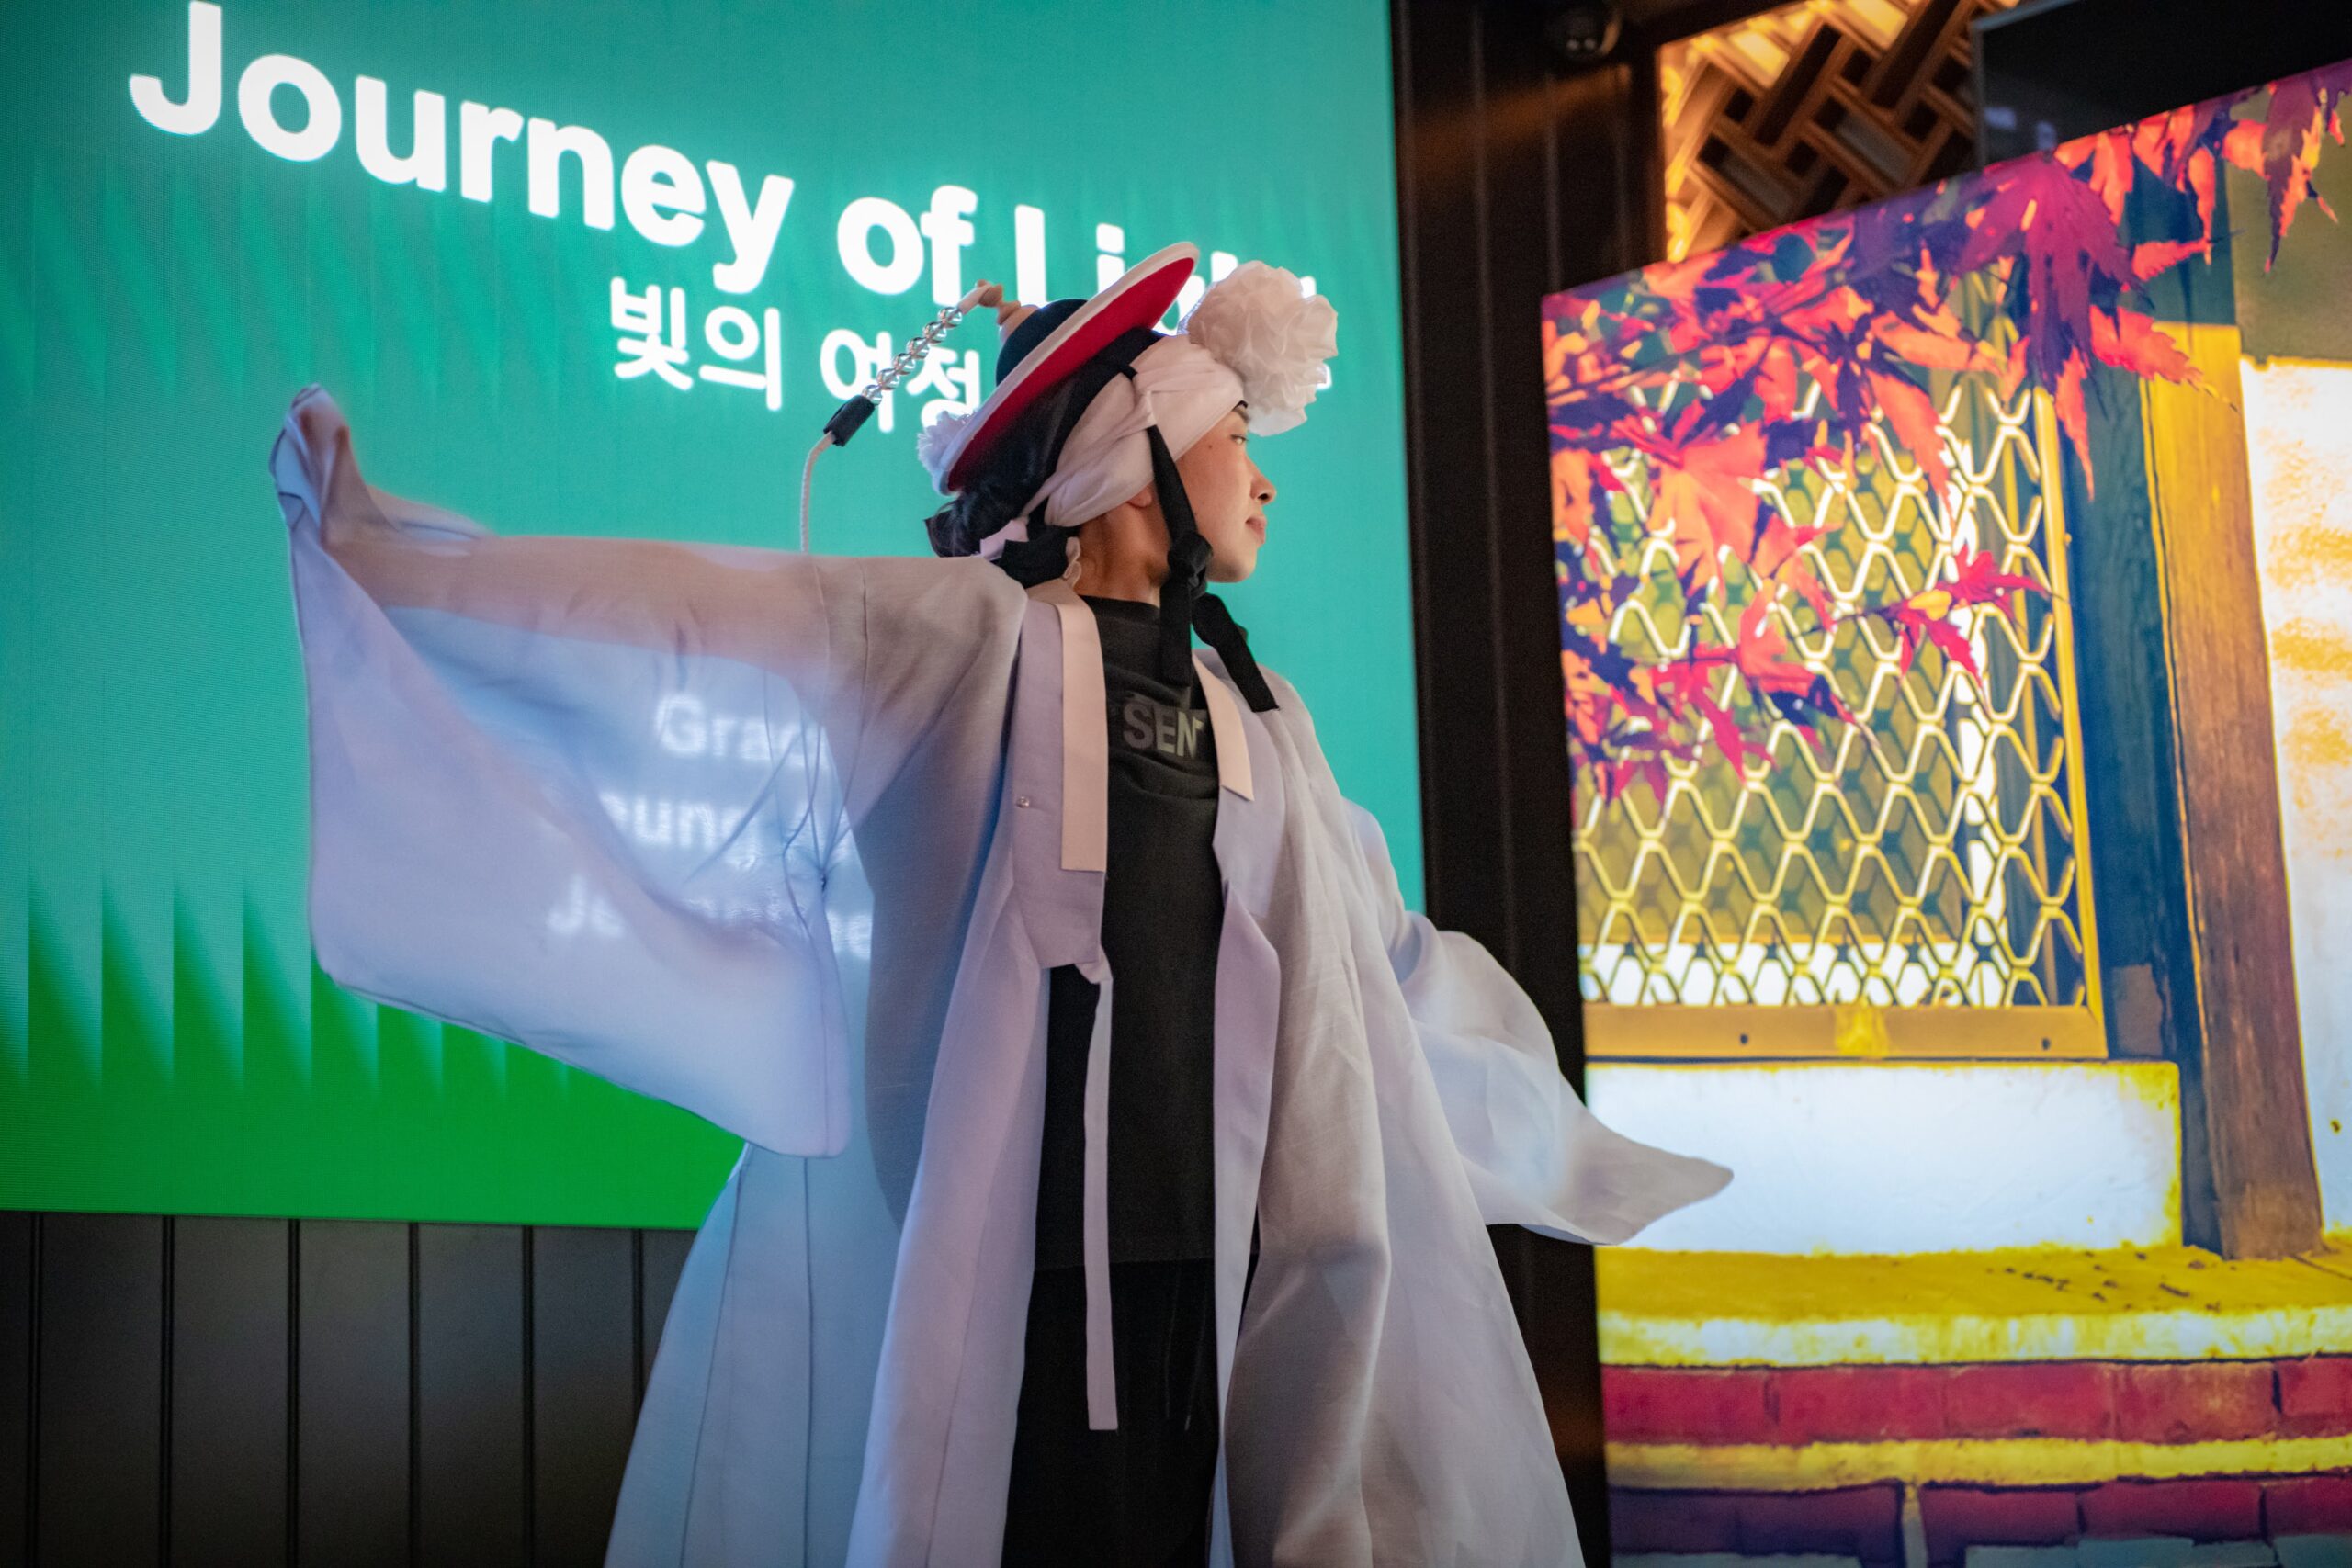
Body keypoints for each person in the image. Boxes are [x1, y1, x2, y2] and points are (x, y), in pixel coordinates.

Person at [269, 242, 1728, 1567]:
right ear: (1134, 455)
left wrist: (1557, 1137)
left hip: (1229, 1269)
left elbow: (1380, 966)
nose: (1266, 478)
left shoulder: (1266, 717)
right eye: (1235, 437)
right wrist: (383, 557)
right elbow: (690, 614)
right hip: (1021, 1281)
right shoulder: (968, 639)